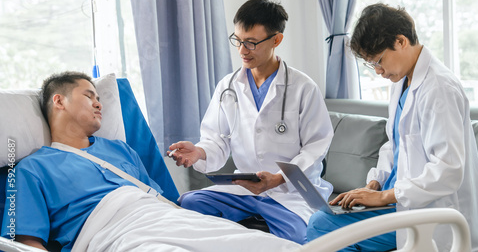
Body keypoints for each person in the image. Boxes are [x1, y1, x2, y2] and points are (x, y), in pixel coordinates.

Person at [1, 71, 301, 251]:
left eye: (99, 97)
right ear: (59, 101)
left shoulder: (121, 150)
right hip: (109, 232)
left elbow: (160, 203)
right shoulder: (31, 169)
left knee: (263, 245)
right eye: (89, 95)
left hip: (169, 219)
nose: (98, 103)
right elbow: (27, 242)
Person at [306, 3, 478, 251]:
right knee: (325, 220)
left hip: (429, 211)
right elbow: (394, 144)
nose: (379, 72)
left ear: (401, 41)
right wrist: (375, 182)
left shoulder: (439, 88)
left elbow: (448, 170)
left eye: (380, 61)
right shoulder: (402, 80)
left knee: (322, 226)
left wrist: (385, 195)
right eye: (372, 65)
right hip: (399, 201)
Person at [169, 0, 334, 244]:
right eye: (238, 40)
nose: (242, 51)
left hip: (290, 192)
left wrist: (278, 178)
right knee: (189, 203)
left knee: (298, 240)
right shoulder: (228, 86)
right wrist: (199, 152)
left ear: (276, 40)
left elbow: (316, 147)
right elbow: (217, 138)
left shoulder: (303, 88)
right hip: (244, 188)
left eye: (251, 43)